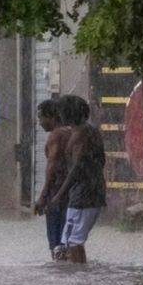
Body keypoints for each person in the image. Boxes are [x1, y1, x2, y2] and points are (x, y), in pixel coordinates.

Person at [50, 95, 106, 264]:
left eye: (60, 111)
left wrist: (59, 194)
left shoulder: (81, 134)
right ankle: (80, 278)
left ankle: (80, 279)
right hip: (88, 192)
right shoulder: (89, 131)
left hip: (84, 195)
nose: (58, 115)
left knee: (74, 241)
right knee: (72, 241)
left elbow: (76, 168)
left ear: (67, 113)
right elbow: (100, 161)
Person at [33, 99, 72, 260]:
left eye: (41, 117)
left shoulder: (56, 136)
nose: (40, 123)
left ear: (52, 117)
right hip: (71, 193)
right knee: (68, 243)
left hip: (57, 194)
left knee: (56, 245)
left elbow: (53, 167)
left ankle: (59, 275)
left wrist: (43, 196)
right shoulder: (71, 132)